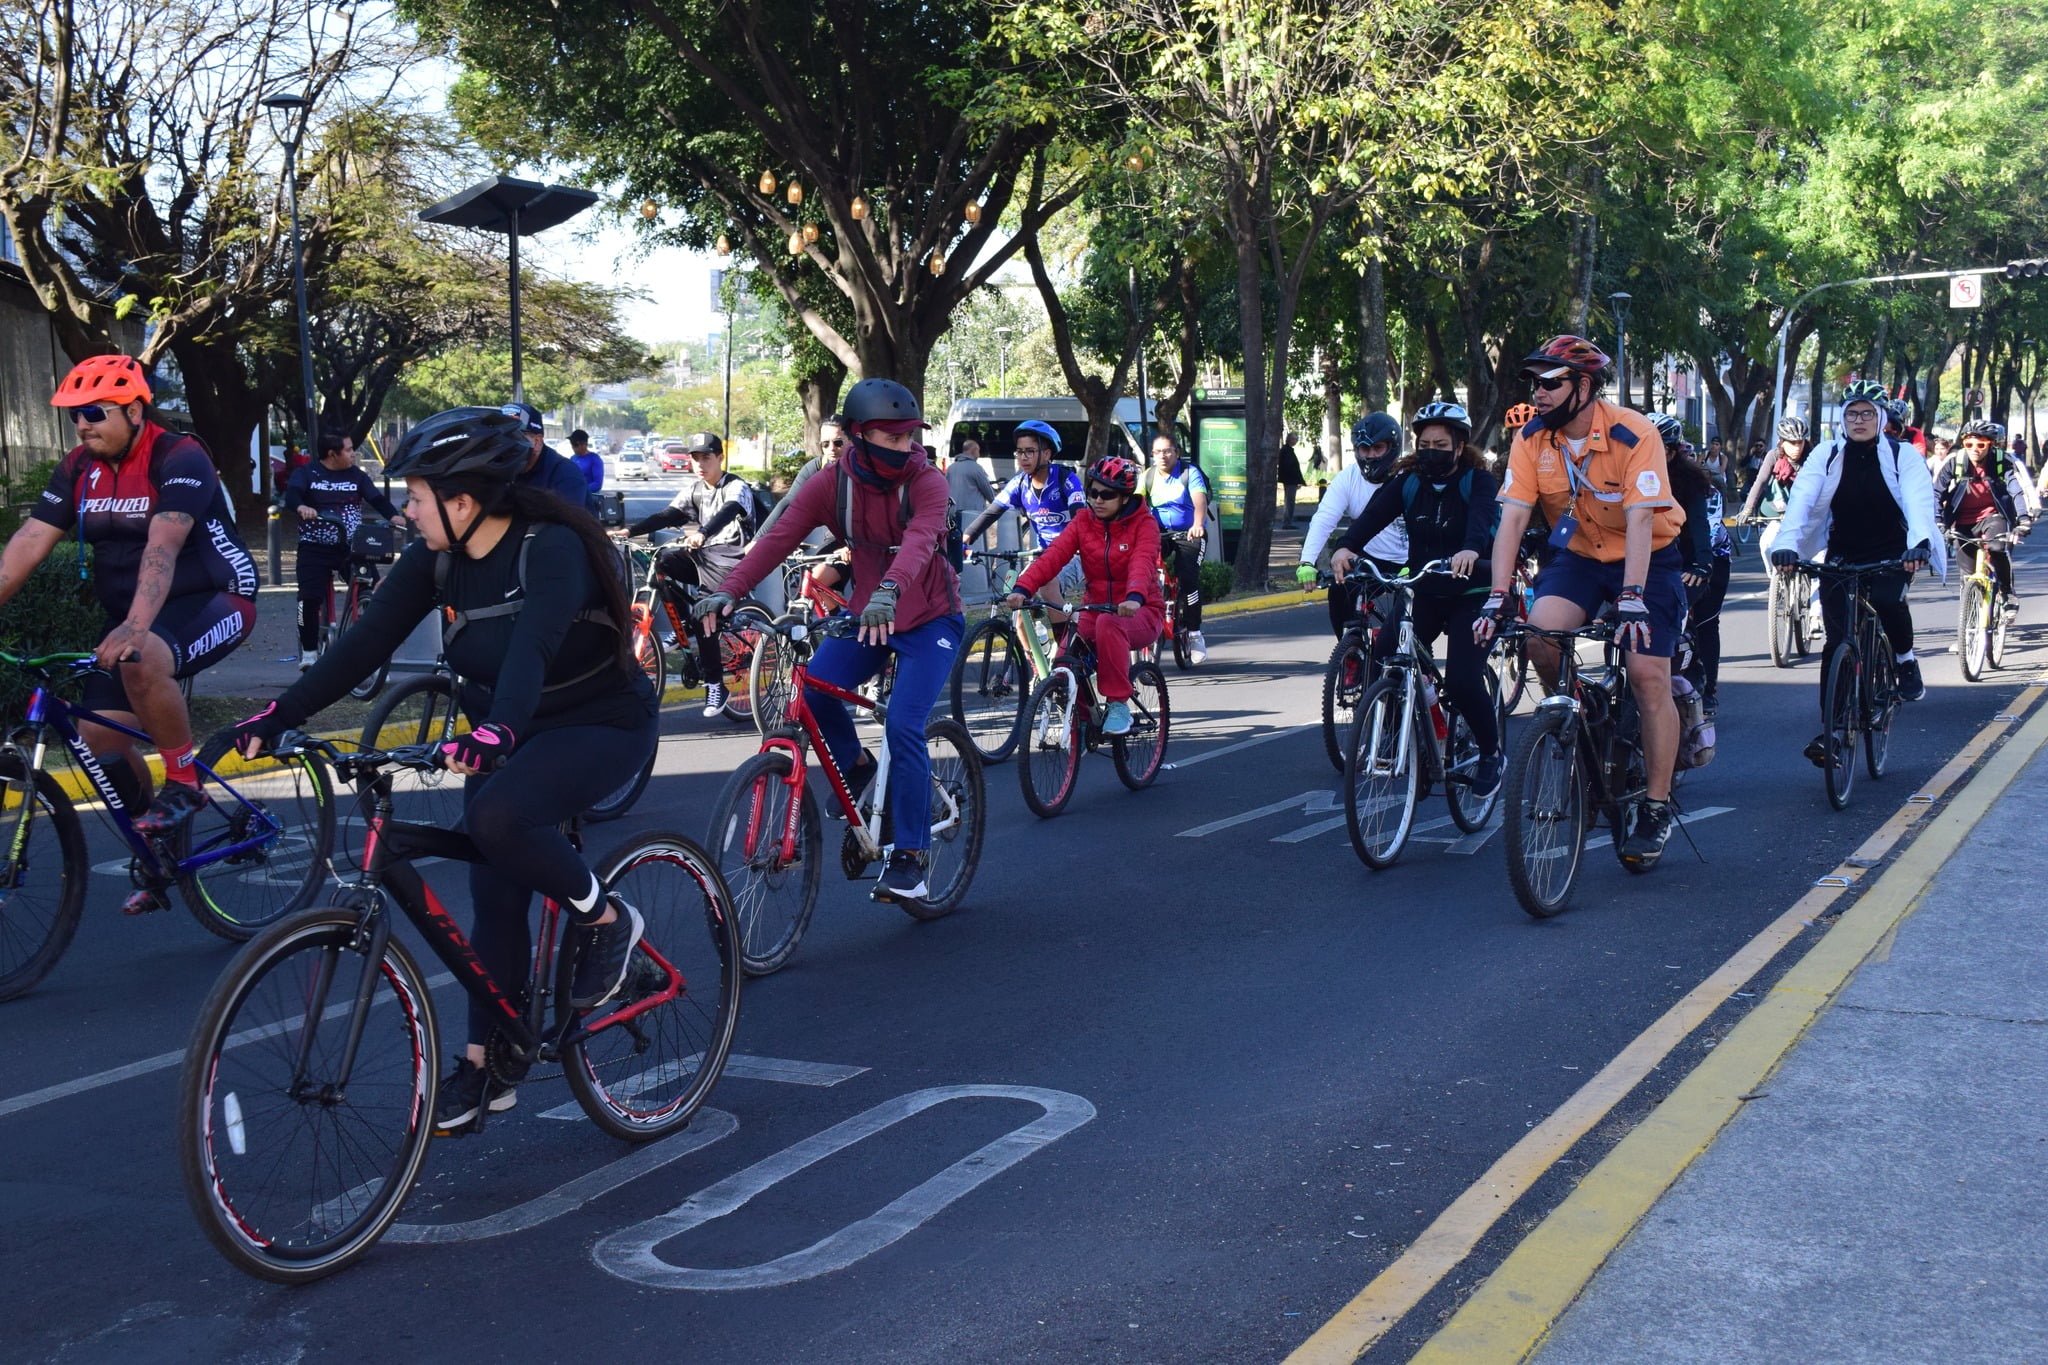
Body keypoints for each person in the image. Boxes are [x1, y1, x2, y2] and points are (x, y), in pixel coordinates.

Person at [229, 405, 656, 1133]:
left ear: (463, 502)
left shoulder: (550, 547)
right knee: (494, 894)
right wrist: (281, 716)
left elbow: (533, 650)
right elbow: (363, 642)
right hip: (508, 729)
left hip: (597, 723)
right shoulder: (438, 554)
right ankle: (489, 1065)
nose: (406, 511)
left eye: (418, 497)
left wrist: (496, 729)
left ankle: (609, 917)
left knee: (498, 817)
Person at [696, 378, 963, 902]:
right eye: (892, 438)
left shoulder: (927, 482)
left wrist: (889, 588)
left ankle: (910, 857)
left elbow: (919, 541)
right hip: (870, 616)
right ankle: (861, 772)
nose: (905, 448)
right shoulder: (830, 484)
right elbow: (777, 537)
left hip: (931, 618)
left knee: (903, 725)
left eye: (910, 436)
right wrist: (729, 590)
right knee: (814, 687)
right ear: (859, 436)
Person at [0, 355, 257, 851]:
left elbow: (163, 545)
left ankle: (184, 783)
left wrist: (136, 627)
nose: (81, 425)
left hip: (217, 597)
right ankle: (155, 843)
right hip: (138, 614)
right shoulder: (79, 468)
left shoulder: (179, 456)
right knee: (100, 741)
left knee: (142, 663)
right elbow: (30, 540)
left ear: (135, 411)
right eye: (74, 414)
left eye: (94, 412)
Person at [1476, 334, 1687, 868]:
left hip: (1648, 559)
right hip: (1577, 557)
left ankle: (1656, 808)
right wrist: (1498, 597)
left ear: (1584, 386)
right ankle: (1580, 710)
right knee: (1539, 636)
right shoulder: (1530, 439)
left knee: (1646, 676)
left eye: (1550, 383)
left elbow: (1641, 518)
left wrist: (1634, 597)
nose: (1538, 393)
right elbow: (1514, 520)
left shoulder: (1633, 432)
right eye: (1534, 383)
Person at [1331, 402, 1504, 797]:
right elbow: (1371, 518)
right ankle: (1406, 735)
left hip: (1471, 592)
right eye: (1424, 443)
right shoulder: (1407, 481)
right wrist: (1346, 547)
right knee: (1388, 653)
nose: (1430, 450)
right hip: (1425, 588)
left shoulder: (1478, 481)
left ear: (1459, 446)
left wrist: (1472, 551)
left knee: (1461, 680)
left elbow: (1480, 522)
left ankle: (1491, 753)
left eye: (1440, 444)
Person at [1771, 380, 1942, 764]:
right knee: (1836, 640)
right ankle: (1832, 730)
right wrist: (1788, 543)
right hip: (1844, 551)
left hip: (1894, 552)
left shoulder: (1903, 456)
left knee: (1885, 599)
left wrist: (1920, 544)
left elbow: (1917, 503)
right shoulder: (1827, 454)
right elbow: (1802, 498)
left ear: (1881, 418)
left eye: (1867, 413)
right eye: (1851, 413)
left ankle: (1904, 659)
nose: (1858, 420)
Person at [1004, 456, 1163, 736]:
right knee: (1064, 666)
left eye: (1107, 494)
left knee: (1108, 624)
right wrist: (1022, 588)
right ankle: (1083, 720)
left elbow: (1143, 562)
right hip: (1096, 608)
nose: (1097, 500)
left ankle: (1118, 705)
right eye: (1092, 492)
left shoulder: (1144, 524)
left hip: (1140, 611)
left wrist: (1135, 596)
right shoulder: (1083, 522)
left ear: (1125, 498)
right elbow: (1053, 557)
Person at [625, 432, 762, 717]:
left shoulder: (736, 486)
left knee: (705, 613)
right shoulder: (695, 489)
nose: (700, 464)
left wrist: (702, 532)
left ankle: (716, 684)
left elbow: (727, 511)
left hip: (731, 560)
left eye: (706, 458)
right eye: (695, 458)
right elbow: (668, 515)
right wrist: (630, 531)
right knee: (664, 561)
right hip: (704, 555)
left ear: (720, 458)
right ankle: (685, 627)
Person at [283, 430, 405, 668]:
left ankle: (373, 652)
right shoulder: (307, 473)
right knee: (308, 598)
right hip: (314, 547)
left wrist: (394, 516)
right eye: (349, 450)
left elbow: (376, 499)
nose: (353, 453)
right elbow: (293, 495)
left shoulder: (356, 476)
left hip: (351, 548)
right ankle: (309, 651)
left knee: (374, 593)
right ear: (332, 454)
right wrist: (301, 507)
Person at [1298, 413, 1410, 637]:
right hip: (1370, 559)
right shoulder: (1347, 478)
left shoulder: (1409, 476)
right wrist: (1307, 561)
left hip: (1411, 561)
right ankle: (1351, 653)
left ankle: (1423, 667)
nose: (1370, 456)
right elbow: (1324, 519)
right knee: (1340, 590)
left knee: (1409, 628)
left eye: (1378, 448)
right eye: (1364, 449)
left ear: (1393, 447)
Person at [959, 420, 1086, 610]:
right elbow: (990, 513)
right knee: (1016, 598)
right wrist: (963, 540)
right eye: (1019, 451)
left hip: (1073, 554)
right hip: (1043, 555)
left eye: (1029, 451)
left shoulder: (1065, 478)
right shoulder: (1019, 484)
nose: (1023, 457)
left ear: (1046, 453)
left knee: (1047, 584)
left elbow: (1080, 516)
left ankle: (1065, 637)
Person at [1653, 414, 1731, 716]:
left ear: (1671, 452)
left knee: (1705, 622)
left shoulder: (1695, 483)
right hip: (1663, 562)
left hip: (1706, 556)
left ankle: (1708, 687)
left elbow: (1703, 527)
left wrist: (1701, 565)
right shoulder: (1629, 475)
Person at [1934, 418, 2036, 604]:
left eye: (1981, 444)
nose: (1974, 448)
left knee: (1997, 549)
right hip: (1963, 520)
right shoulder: (1955, 461)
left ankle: (2006, 592)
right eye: (1969, 443)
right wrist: (1938, 520)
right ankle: (1971, 611)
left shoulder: (2001, 461)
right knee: (1967, 572)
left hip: (1993, 516)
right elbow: (1936, 493)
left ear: (1991, 444)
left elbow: (2016, 490)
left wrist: (2023, 519)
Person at [1138, 433, 1210, 664]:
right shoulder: (1148, 476)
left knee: (1188, 579)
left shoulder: (1189, 473)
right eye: (1157, 452)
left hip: (1189, 532)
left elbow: (1200, 500)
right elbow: (1135, 503)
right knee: (1140, 567)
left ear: (1176, 452)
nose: (1163, 456)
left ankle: (1194, 632)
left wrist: (1198, 525)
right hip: (1160, 532)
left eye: (1167, 451)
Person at [1739, 417, 1811, 555]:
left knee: (1817, 556)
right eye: (1791, 442)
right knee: (1767, 544)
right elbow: (1760, 482)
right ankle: (1774, 576)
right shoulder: (1773, 455)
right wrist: (1747, 509)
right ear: (1781, 442)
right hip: (1780, 510)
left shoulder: (1813, 456)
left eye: (1800, 442)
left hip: (1808, 512)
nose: (1797, 447)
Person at [502, 400, 590, 507]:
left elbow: (569, 521)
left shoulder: (566, 475)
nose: (506, 443)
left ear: (537, 442)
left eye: (514, 436)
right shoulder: (501, 470)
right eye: (502, 436)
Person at [942, 438, 996, 571]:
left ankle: (957, 574)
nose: (979, 453)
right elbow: (987, 491)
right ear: (973, 450)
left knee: (955, 548)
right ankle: (975, 575)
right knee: (974, 548)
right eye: (978, 450)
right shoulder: (976, 468)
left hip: (953, 514)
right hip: (972, 516)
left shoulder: (951, 468)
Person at [566, 429, 606, 513]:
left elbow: (597, 484)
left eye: (574, 445)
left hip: (590, 500)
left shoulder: (594, 459)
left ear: (583, 444)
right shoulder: (573, 458)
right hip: (574, 500)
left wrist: (580, 490)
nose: (572, 448)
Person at [1278, 432, 1304, 528]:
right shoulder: (1287, 450)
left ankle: (1287, 521)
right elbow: (1291, 467)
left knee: (1289, 501)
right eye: (1295, 439)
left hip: (1289, 479)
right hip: (1290, 480)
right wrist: (1298, 479)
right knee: (1290, 501)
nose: (1296, 441)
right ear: (1290, 439)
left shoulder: (1287, 450)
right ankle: (1287, 522)